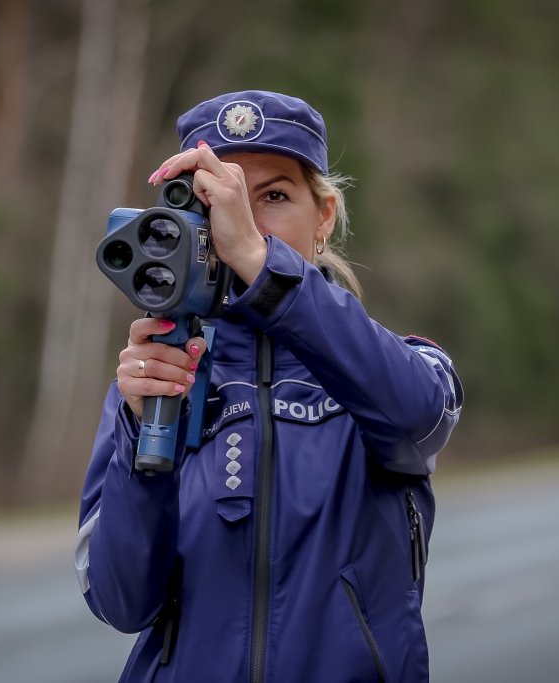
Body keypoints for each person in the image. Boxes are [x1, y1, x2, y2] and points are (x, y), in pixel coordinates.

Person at [75, 91, 463, 683]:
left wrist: (262, 268)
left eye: (274, 196)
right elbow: (121, 602)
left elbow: (418, 417)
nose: (243, 221)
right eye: (219, 199)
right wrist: (141, 430)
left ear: (324, 218)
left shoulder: (400, 366)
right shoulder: (153, 380)